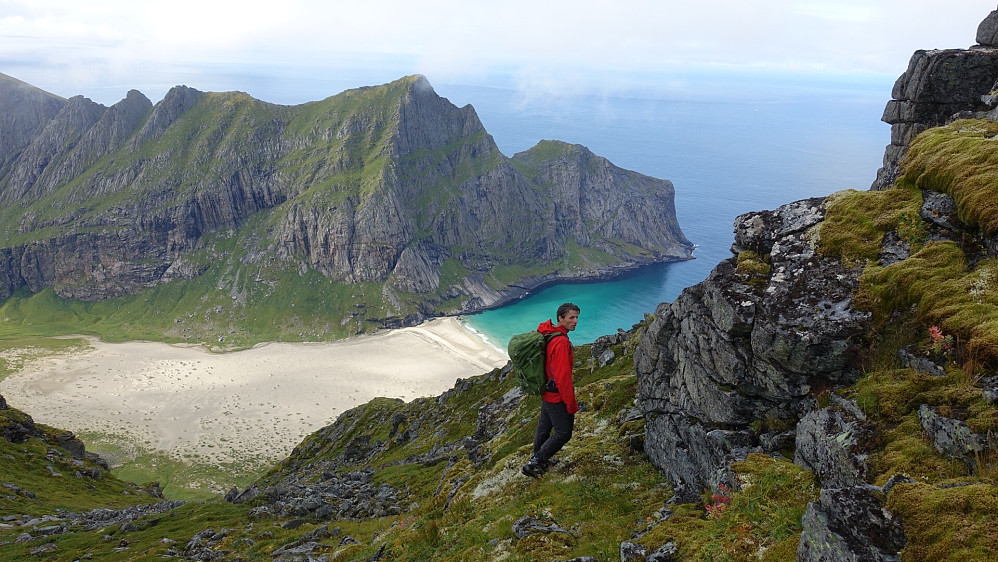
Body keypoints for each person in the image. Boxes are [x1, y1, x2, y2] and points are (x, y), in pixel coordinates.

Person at [522, 302, 580, 478]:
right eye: (571, 317)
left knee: (544, 427)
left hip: (546, 391)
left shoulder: (549, 334)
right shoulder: (561, 342)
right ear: (560, 318)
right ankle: (536, 461)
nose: (575, 321)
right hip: (555, 395)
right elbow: (562, 377)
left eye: (577, 317)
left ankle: (539, 459)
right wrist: (571, 404)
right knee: (563, 433)